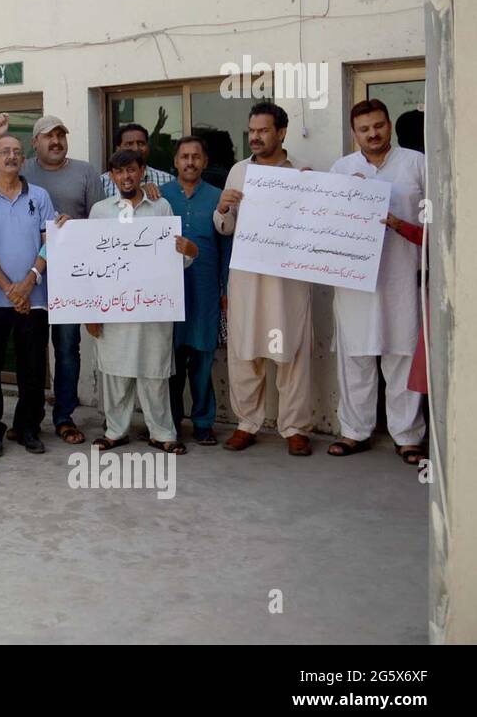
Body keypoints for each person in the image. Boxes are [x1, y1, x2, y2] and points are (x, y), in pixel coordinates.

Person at [327, 99, 428, 464]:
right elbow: (323, 222)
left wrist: (396, 223)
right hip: (353, 283)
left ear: (389, 126)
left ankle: (408, 436)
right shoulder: (341, 169)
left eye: (379, 125)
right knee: (356, 358)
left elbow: (435, 224)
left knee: (401, 355)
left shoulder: (417, 164)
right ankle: (355, 431)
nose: (373, 134)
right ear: (354, 134)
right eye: (365, 129)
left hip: (401, 279)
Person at [213, 102, 316, 456]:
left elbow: (319, 227)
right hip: (248, 277)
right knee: (245, 350)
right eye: (252, 131)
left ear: (281, 132)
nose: (255, 137)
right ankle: (246, 424)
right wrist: (223, 207)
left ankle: (295, 427)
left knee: (293, 353)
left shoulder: (303, 172)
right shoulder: (239, 171)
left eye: (263, 131)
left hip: (288, 279)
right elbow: (224, 227)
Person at [82, 150, 196, 454]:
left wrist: (189, 251)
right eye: (119, 172)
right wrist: (90, 311)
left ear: (142, 171)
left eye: (131, 170)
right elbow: (89, 263)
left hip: (153, 306)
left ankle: (162, 433)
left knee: (153, 371)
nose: (126, 177)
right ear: (112, 176)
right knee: (116, 372)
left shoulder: (160, 207)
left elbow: (177, 261)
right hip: (112, 307)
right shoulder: (100, 211)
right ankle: (115, 431)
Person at [0, 133, 55, 458]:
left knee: (32, 370)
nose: (11, 157)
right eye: (5, 152)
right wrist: (8, 287)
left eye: (17, 152)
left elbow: (50, 241)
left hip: (35, 298)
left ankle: (28, 427)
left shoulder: (40, 196)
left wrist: (30, 281)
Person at [19, 114, 106, 445]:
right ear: (34, 143)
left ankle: (64, 415)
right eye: (48, 136)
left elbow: (100, 224)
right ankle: (30, 417)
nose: (55, 141)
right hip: (32, 277)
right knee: (31, 349)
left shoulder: (84, 172)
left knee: (68, 348)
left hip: (73, 277)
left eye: (60, 135)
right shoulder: (22, 168)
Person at [160, 135, 230, 445]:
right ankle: (170, 422)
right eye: (184, 156)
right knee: (171, 361)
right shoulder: (159, 198)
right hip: (167, 294)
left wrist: (227, 289)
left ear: (204, 162)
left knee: (202, 361)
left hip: (205, 292)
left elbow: (227, 248)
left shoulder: (218, 197)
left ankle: (203, 422)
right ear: (175, 162)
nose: (190, 162)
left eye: (196, 156)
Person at [100, 123, 174, 197]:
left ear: (148, 147)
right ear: (118, 149)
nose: (136, 148)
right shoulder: (102, 182)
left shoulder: (168, 180)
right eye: (129, 144)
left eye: (141, 143)